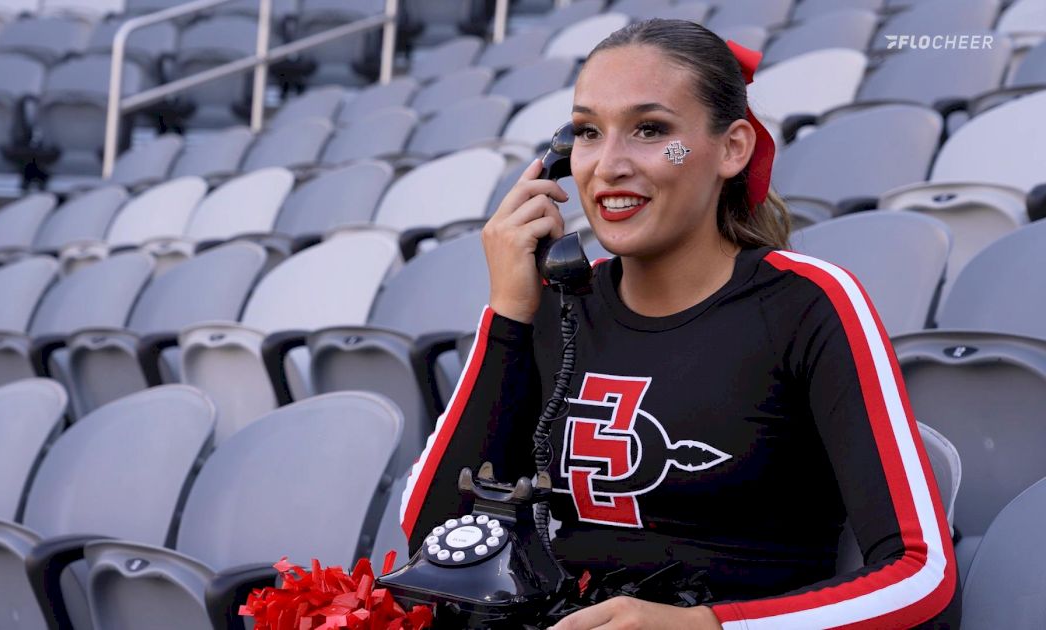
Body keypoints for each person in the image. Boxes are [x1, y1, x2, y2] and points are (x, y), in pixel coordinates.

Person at [399, 19, 959, 629]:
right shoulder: (555, 309)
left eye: (651, 130)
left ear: (732, 148)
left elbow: (920, 574)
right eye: (587, 132)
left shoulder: (810, 303)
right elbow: (432, 544)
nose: (607, 165)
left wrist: (706, 626)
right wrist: (509, 313)